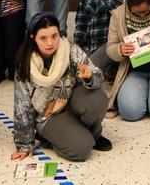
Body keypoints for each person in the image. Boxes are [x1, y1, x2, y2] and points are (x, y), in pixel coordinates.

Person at [11, 13, 111, 162]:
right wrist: (25, 144)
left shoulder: (70, 50)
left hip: (70, 101)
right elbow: (22, 106)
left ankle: (93, 135)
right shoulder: (24, 63)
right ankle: (54, 136)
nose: (50, 43)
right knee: (81, 149)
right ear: (33, 38)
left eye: (54, 36)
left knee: (98, 98)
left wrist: (90, 76)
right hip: (48, 115)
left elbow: (98, 77)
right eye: (43, 38)